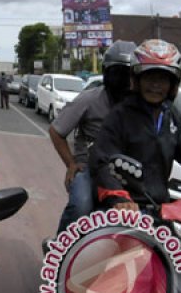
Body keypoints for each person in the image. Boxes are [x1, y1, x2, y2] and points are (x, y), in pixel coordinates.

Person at [92, 39, 181, 210]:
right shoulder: (119, 115)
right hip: (121, 210)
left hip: (160, 209)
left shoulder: (172, 116)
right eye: (149, 78)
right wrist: (118, 197)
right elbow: (101, 161)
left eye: (162, 79)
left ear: (172, 84)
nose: (155, 85)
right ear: (137, 80)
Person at [49, 40, 135, 231]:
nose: (125, 81)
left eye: (130, 75)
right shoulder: (90, 98)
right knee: (81, 205)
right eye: (118, 74)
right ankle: (61, 247)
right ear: (107, 73)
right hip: (88, 168)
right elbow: (56, 130)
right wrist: (71, 163)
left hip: (127, 171)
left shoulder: (140, 106)